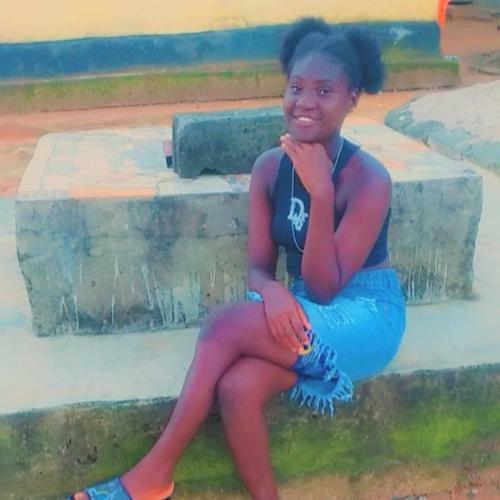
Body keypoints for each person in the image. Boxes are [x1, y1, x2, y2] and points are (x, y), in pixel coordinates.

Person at [70, 17, 406, 500]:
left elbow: (326, 287)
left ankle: (151, 477)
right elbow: (258, 269)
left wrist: (321, 193)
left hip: (365, 315)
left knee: (224, 324)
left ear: (352, 98)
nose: (305, 102)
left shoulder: (368, 179)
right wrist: (272, 293)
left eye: (324, 91)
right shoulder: (269, 167)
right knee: (238, 387)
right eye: (296, 87)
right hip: (301, 303)